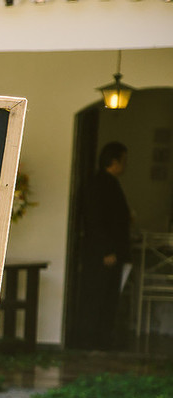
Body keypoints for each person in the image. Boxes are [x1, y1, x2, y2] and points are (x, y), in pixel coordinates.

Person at [78, 141, 132, 349]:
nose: (125, 165)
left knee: (108, 296)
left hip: (112, 250)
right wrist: (106, 250)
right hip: (102, 253)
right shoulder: (98, 184)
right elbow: (95, 219)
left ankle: (102, 339)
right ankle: (91, 341)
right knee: (97, 296)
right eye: (123, 160)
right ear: (113, 161)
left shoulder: (110, 183)